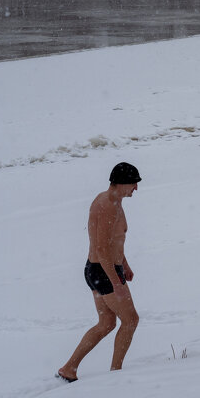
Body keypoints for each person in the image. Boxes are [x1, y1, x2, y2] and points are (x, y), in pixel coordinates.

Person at [57, 162, 143, 382]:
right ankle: (116, 373)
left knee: (107, 323)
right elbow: (101, 248)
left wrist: (124, 263)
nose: (136, 188)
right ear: (122, 182)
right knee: (131, 320)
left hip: (96, 269)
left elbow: (112, 242)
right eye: (134, 183)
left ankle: (69, 368)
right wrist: (116, 282)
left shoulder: (111, 200)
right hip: (104, 272)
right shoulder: (108, 207)